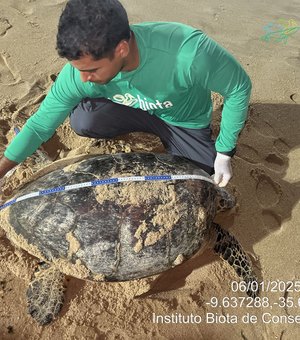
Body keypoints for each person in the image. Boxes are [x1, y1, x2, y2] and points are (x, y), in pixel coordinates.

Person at [0, 0, 252, 191]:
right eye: (78, 69)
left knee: (202, 177)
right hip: (128, 108)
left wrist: (224, 151)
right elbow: (39, 126)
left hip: (182, 119)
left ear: (121, 48)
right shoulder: (80, 72)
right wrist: (3, 169)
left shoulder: (189, 54)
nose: (84, 78)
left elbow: (239, 87)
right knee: (83, 121)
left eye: (92, 70)